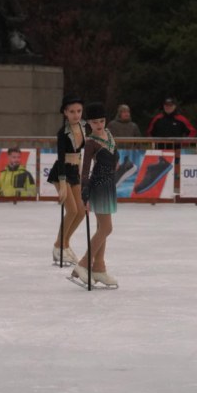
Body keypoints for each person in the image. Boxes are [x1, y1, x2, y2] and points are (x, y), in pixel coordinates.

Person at [73, 102, 120, 287]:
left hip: (109, 185)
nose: (99, 125)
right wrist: (84, 193)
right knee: (107, 228)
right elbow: (85, 171)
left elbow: (115, 155)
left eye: (101, 121)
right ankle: (83, 264)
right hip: (99, 186)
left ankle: (99, 268)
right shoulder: (91, 142)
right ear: (89, 123)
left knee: (102, 227)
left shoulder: (108, 134)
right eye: (95, 122)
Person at [46, 95, 86, 265]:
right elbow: (61, 158)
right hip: (61, 172)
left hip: (75, 171)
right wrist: (62, 183)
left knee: (81, 211)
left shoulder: (86, 128)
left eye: (78, 111)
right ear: (65, 113)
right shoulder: (62, 133)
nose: (76, 115)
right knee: (72, 210)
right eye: (72, 111)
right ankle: (58, 246)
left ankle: (65, 244)